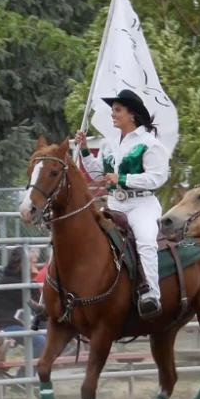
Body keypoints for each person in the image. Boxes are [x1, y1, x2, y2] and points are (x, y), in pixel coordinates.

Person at [73, 89, 170, 317]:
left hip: (141, 205)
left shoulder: (149, 143)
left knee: (146, 240)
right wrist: (85, 150)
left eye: (117, 110)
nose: (113, 114)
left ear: (132, 115)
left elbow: (157, 177)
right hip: (114, 204)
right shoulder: (108, 143)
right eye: (113, 110)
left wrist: (123, 178)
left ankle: (151, 296)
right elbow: (98, 175)